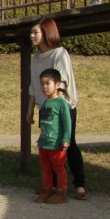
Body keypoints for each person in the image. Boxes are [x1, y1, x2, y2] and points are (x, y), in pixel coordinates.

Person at [26, 18, 88, 200]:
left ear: (47, 33)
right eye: (31, 32)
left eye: (35, 32)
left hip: (62, 107)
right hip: (44, 107)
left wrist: (58, 108)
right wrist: (31, 108)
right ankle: (51, 185)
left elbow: (62, 82)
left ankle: (79, 185)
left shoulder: (59, 54)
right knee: (48, 144)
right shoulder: (35, 58)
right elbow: (33, 86)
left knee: (68, 142)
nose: (32, 36)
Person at [35, 68, 72, 205]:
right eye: (42, 84)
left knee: (58, 168)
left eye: (47, 83)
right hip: (44, 142)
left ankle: (61, 192)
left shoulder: (61, 103)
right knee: (46, 168)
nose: (44, 87)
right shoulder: (45, 103)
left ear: (57, 85)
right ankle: (46, 190)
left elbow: (67, 123)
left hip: (56, 143)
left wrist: (66, 139)